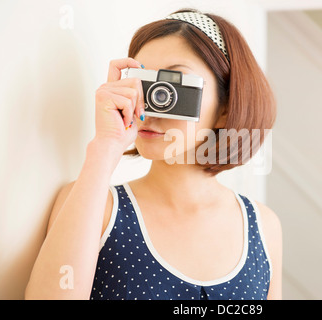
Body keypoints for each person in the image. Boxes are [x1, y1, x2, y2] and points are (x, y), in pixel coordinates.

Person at [25, 9, 281, 300]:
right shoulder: (97, 206)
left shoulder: (263, 227)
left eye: (174, 86)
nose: (152, 105)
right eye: (144, 83)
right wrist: (107, 145)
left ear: (225, 107)